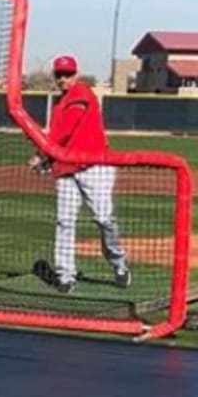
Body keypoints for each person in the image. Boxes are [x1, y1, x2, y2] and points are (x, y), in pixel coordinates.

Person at [28, 54, 128, 294]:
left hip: (95, 167)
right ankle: (65, 275)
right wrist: (50, 159)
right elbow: (62, 138)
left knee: (104, 219)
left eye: (68, 74)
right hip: (66, 169)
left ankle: (119, 263)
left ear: (76, 74)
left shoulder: (81, 94)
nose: (63, 79)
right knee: (64, 222)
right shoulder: (60, 103)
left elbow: (66, 130)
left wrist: (42, 154)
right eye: (59, 75)